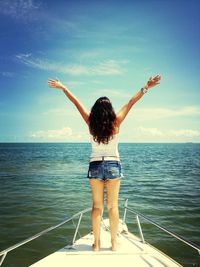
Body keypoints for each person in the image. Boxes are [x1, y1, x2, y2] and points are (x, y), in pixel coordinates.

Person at [48, 74, 161, 251]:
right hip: (113, 165)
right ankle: (114, 243)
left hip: (95, 167)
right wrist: (146, 86)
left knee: (97, 207)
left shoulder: (90, 122)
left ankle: (96, 244)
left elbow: (76, 102)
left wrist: (64, 88)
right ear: (109, 109)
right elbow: (131, 102)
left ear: (96, 110)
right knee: (113, 206)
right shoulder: (116, 121)